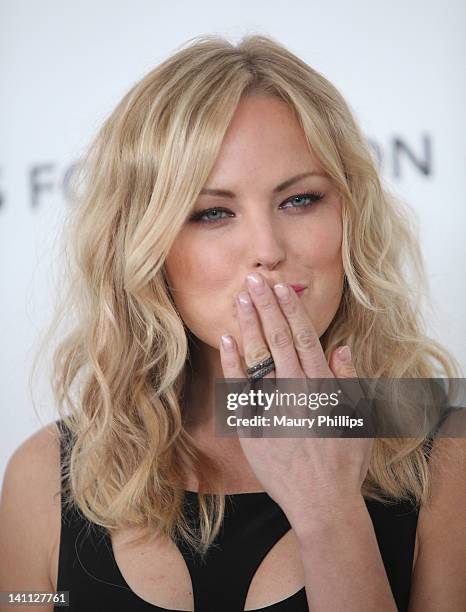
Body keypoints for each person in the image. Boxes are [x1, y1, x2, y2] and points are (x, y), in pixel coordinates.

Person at [1, 33, 465, 612]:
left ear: (350, 215)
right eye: (212, 212)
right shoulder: (41, 475)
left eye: (300, 200)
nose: (267, 249)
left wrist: (330, 514)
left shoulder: (450, 455)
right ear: (144, 247)